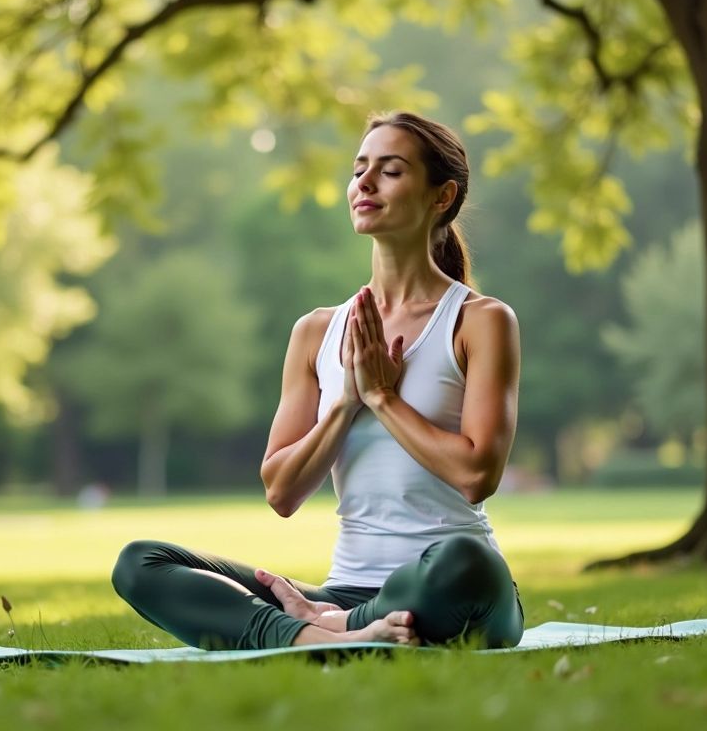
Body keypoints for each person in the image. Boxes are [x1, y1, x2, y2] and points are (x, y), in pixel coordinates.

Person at [112, 112, 523, 650]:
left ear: (441, 197)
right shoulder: (316, 332)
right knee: (141, 564)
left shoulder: (480, 321)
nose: (365, 184)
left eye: (391, 171)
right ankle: (323, 632)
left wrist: (382, 397)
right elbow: (281, 491)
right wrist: (346, 403)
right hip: (344, 591)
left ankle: (327, 631)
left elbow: (477, 476)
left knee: (466, 563)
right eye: (359, 170)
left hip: (446, 584)